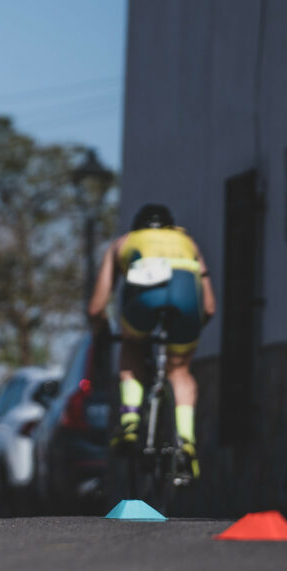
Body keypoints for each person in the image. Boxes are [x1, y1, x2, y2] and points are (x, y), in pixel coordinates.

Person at [87, 203, 216, 479]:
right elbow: (209, 307)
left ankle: (130, 422)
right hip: (186, 299)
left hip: (144, 301)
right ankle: (186, 441)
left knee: (131, 348)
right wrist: (190, 334)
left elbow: (96, 308)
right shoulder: (187, 242)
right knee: (180, 371)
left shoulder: (124, 243)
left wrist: (102, 331)